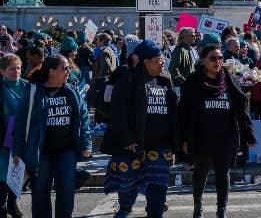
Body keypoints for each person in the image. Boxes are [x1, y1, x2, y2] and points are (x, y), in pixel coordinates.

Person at [102, 40, 178, 218]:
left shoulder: (165, 80)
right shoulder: (129, 79)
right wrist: (127, 139)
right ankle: (124, 210)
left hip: (161, 146)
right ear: (146, 62)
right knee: (128, 188)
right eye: (158, 60)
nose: (162, 63)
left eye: (162, 60)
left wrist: (177, 140)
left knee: (158, 188)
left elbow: (174, 112)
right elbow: (118, 112)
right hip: (135, 145)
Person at [179, 44, 255, 218]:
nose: (218, 61)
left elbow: (243, 108)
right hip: (201, 137)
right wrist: (183, 139)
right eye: (213, 58)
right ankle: (197, 206)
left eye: (220, 58)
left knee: (223, 173)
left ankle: (222, 209)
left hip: (226, 136)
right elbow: (183, 113)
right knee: (201, 172)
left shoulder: (229, 80)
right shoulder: (193, 82)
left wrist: (249, 133)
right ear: (203, 60)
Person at [13, 55, 91, 218]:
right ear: (51, 71)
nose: (69, 71)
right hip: (40, 152)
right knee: (40, 190)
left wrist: (86, 144)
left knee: (67, 189)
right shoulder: (33, 91)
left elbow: (83, 118)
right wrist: (18, 152)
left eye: (69, 67)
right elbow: (20, 124)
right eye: (65, 68)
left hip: (67, 150)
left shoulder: (71, 90)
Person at [0, 55, 27, 217]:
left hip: (23, 135)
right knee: (3, 173)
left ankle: (12, 203)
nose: (16, 71)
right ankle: (2, 206)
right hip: (4, 135)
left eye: (18, 67)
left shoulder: (27, 86)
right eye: (11, 68)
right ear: (2, 71)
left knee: (18, 172)